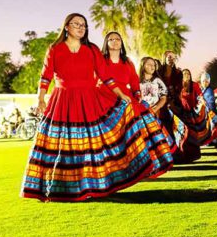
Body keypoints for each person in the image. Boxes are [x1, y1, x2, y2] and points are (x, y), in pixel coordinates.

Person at [21, 13, 159, 201]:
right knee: (61, 144)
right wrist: (41, 99)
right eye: (76, 24)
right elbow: (45, 77)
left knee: (91, 145)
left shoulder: (92, 49)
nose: (80, 27)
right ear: (66, 27)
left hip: (89, 100)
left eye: (84, 25)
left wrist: (122, 95)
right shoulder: (55, 49)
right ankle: (59, 188)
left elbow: (106, 77)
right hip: (62, 100)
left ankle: (92, 187)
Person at [99, 32, 174, 177]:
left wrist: (137, 93)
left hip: (126, 98)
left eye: (118, 39)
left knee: (141, 127)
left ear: (121, 42)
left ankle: (146, 166)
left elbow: (134, 80)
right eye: (111, 39)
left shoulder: (127, 62)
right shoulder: (101, 60)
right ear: (106, 43)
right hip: (104, 97)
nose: (115, 42)